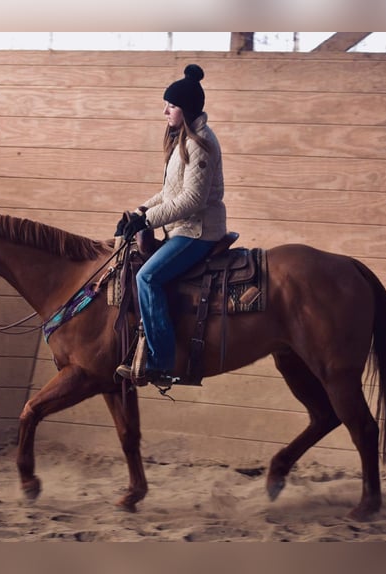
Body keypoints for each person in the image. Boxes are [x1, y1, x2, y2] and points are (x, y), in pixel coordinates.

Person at [115, 63, 227, 385]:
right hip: (184, 227)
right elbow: (169, 192)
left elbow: (192, 200)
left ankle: (162, 361)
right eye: (166, 104)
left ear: (187, 109)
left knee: (148, 277)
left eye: (172, 105)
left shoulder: (200, 144)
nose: (165, 111)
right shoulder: (183, 139)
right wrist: (138, 212)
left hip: (199, 231)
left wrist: (147, 220)